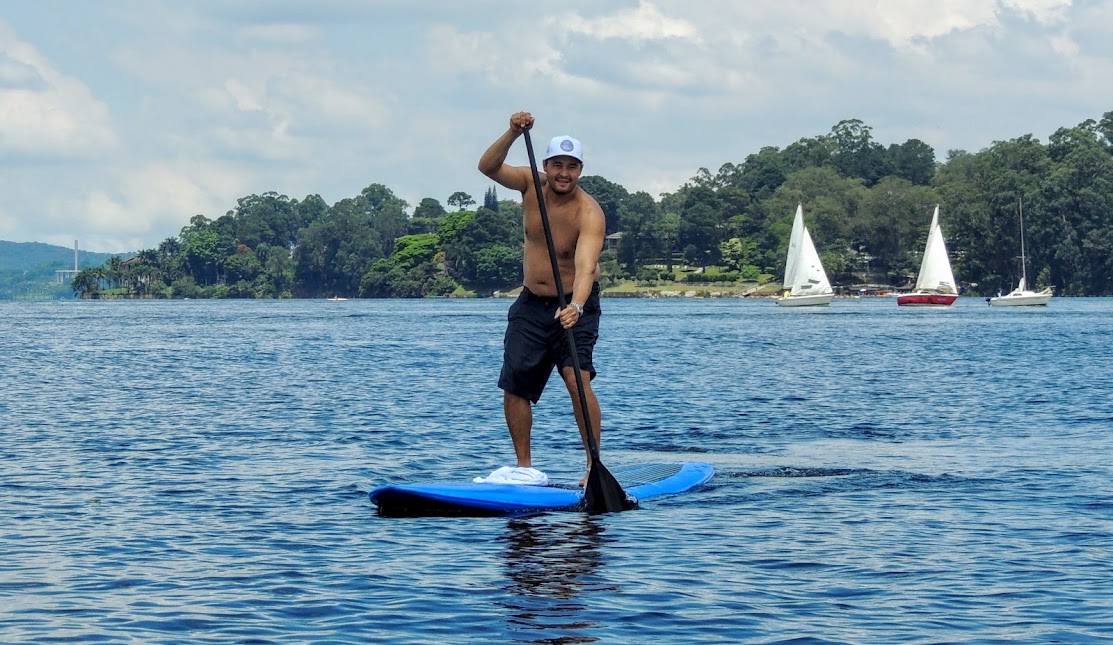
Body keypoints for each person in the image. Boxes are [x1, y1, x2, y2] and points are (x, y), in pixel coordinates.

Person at [474, 111, 606, 487]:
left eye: (572, 166)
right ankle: (524, 468)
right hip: (532, 303)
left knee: (576, 379)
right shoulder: (530, 184)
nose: (564, 173)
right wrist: (512, 133)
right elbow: (487, 167)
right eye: (558, 165)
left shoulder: (589, 212)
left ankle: (594, 466)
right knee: (515, 382)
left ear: (580, 170)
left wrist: (576, 306)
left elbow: (585, 267)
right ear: (546, 165)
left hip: (576, 305)